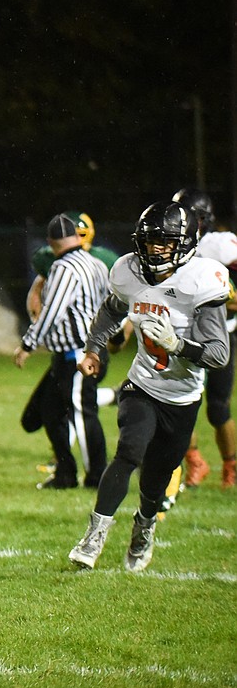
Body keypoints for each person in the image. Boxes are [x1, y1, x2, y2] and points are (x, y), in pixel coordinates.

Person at [69, 201, 229, 572]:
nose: (154, 249)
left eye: (164, 242)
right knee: (128, 452)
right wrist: (94, 347)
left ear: (186, 243)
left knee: (155, 482)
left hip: (183, 396)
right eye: (149, 241)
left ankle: (144, 525)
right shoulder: (128, 271)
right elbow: (113, 307)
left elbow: (219, 354)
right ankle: (93, 538)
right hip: (141, 385)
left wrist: (178, 344)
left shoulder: (200, 280)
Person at [13, 214, 111, 489]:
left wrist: (28, 344)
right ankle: (65, 474)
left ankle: (96, 476)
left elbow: (51, 312)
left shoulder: (63, 268)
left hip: (78, 354)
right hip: (80, 351)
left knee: (82, 412)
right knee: (49, 411)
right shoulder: (97, 264)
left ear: (50, 242)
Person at [172, 188, 237, 489]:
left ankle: (231, 466)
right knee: (180, 402)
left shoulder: (219, 245)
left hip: (220, 333)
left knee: (217, 407)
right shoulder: (171, 243)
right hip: (182, 333)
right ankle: (195, 461)